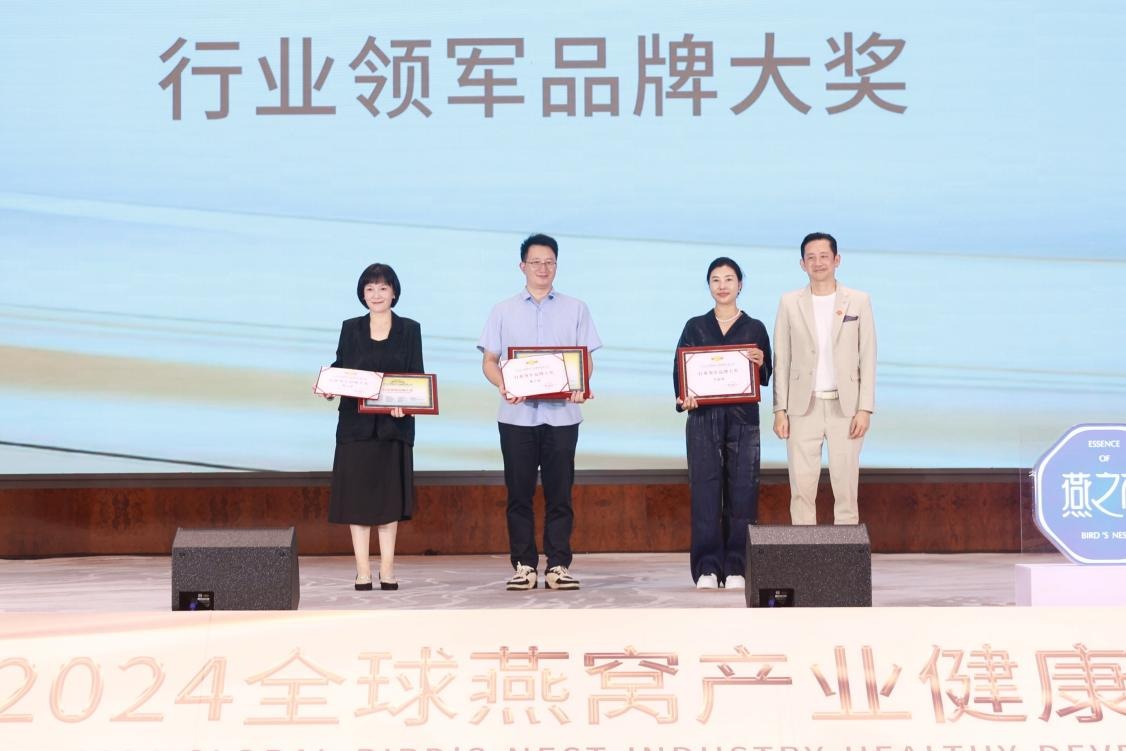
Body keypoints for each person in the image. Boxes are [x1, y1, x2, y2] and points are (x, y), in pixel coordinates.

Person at [478, 233, 602, 591]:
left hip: (563, 416)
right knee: (519, 494)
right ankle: (524, 566)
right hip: (516, 417)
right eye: (536, 262)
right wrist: (504, 383)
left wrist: (580, 385)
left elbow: (585, 359)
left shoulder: (577, 308)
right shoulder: (502, 310)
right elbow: (489, 361)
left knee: (560, 494)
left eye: (549, 262)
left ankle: (558, 565)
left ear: (556, 266)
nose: (543, 268)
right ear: (522, 266)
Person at [674, 257, 772, 590]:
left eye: (729, 279)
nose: (722, 285)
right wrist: (685, 397)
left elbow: (766, 373)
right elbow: (680, 372)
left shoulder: (755, 327)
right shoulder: (695, 326)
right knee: (704, 493)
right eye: (715, 279)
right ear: (709, 286)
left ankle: (736, 567)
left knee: (743, 493)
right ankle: (707, 567)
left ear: (740, 284)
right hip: (703, 419)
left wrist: (760, 361)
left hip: (744, 420)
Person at [325, 263, 424, 590]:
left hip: (393, 428)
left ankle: (388, 569)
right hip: (356, 428)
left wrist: (406, 403)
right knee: (357, 502)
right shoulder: (350, 328)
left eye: (383, 288)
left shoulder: (410, 329)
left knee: (388, 502)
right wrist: (329, 385)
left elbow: (416, 376)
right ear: (362, 294)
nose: (376, 294)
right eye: (370, 289)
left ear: (394, 292)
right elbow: (341, 368)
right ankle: (363, 571)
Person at [772, 232, 876, 525]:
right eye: (811, 258)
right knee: (801, 489)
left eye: (824, 257)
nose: (818, 263)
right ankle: (805, 551)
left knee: (846, 488)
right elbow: (782, 358)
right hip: (802, 407)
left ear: (837, 260)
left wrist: (865, 408)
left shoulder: (859, 300)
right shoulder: (789, 302)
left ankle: (845, 552)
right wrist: (780, 410)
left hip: (847, 407)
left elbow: (868, 356)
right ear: (802, 264)